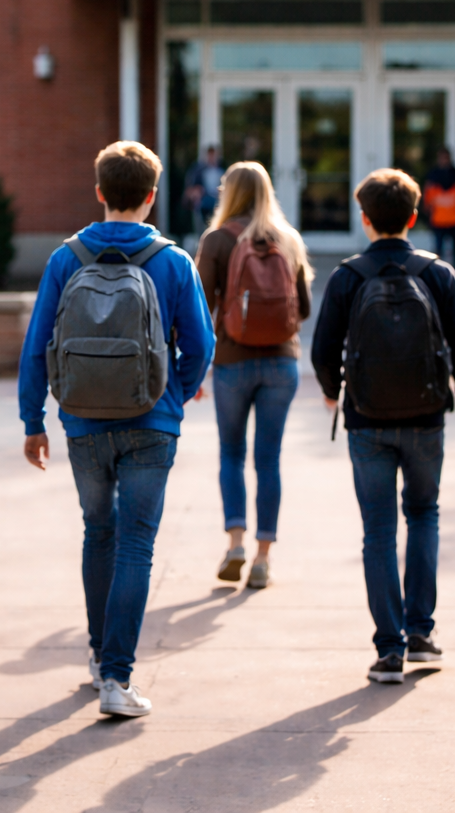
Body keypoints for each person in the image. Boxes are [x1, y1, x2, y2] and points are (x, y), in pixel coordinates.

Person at [19, 141, 214, 718]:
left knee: (97, 533)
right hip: (151, 423)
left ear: (100, 191)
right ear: (151, 197)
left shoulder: (64, 259)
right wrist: (171, 392)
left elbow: (37, 347)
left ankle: (99, 653)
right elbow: (201, 345)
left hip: (81, 422)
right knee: (136, 543)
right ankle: (116, 678)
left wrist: (34, 420)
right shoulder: (174, 261)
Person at [311, 168, 455, 685]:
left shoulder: (347, 277)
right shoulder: (437, 274)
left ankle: (388, 651)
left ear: (365, 220)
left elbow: (322, 351)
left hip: (366, 420)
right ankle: (421, 635)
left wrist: (333, 391)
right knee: (424, 515)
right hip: (427, 417)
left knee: (378, 531)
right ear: (414, 216)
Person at [196, 161, 312, 590]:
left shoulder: (216, 240)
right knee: (269, 459)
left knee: (231, 454)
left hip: (232, 362)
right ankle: (264, 556)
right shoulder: (289, 239)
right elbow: (304, 307)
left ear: (228, 193)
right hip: (282, 362)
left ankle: (236, 543)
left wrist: (190, 367)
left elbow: (200, 309)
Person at [420, 148, 455, 276]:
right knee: (438, 248)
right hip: (438, 219)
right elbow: (428, 197)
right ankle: (437, 271)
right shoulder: (433, 175)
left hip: (454, 219)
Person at [183, 145, 223, 240]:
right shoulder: (198, 171)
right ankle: (202, 237)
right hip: (204, 201)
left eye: (214, 155)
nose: (212, 158)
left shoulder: (222, 170)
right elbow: (191, 187)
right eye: (210, 155)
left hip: (218, 201)